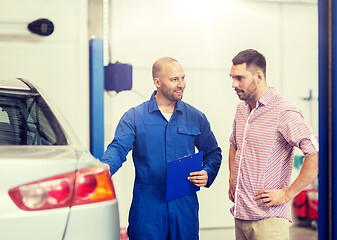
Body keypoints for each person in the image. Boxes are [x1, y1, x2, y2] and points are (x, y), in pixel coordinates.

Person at [101, 57, 222, 240]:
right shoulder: (135, 117)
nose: (181, 84)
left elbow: (213, 152)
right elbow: (118, 148)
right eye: (174, 79)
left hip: (184, 206)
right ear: (157, 82)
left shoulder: (195, 117)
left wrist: (207, 172)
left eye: (183, 78)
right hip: (148, 207)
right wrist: (104, 168)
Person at [228, 49, 318, 240]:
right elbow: (234, 144)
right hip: (240, 216)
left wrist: (287, 195)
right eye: (232, 78)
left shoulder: (283, 111)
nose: (234, 84)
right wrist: (232, 178)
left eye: (239, 78)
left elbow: (315, 154)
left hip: (268, 222)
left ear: (258, 76)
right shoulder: (241, 110)